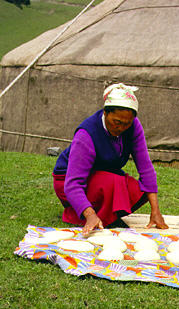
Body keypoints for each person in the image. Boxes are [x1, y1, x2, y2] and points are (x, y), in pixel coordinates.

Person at [53, 83, 168, 236]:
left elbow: (146, 169)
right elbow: (73, 184)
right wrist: (90, 215)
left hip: (101, 175)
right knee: (113, 182)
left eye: (127, 124)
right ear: (106, 113)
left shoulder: (133, 127)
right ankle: (87, 215)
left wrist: (155, 211)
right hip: (66, 180)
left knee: (136, 189)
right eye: (117, 122)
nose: (121, 128)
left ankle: (103, 215)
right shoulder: (86, 135)